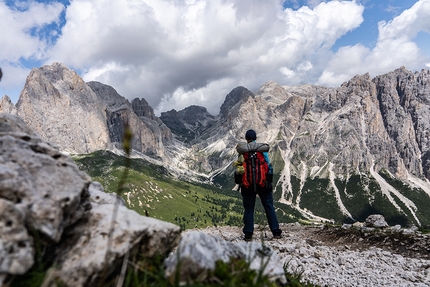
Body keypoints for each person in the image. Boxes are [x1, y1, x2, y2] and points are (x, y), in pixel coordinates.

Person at [234, 129, 282, 241]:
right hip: (263, 185)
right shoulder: (262, 150)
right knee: (269, 206)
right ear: (255, 138)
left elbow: (238, 169)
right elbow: (269, 166)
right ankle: (276, 232)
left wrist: (239, 181)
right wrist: (268, 181)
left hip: (247, 186)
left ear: (246, 139)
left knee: (249, 209)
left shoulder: (243, 152)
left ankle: (248, 234)